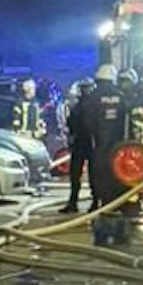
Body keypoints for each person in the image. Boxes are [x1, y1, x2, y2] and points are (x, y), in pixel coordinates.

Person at [76, 64, 131, 244]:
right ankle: (118, 217)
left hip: (98, 148)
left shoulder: (92, 98)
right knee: (117, 181)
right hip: (117, 150)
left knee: (99, 180)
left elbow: (86, 122)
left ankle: (101, 213)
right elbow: (126, 123)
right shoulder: (121, 97)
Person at [59, 78, 94, 214]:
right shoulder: (77, 106)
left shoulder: (93, 105)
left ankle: (95, 202)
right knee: (75, 175)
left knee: (93, 175)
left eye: (86, 88)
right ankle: (73, 202)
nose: (84, 91)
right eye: (83, 88)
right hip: (80, 143)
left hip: (90, 143)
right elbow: (71, 123)